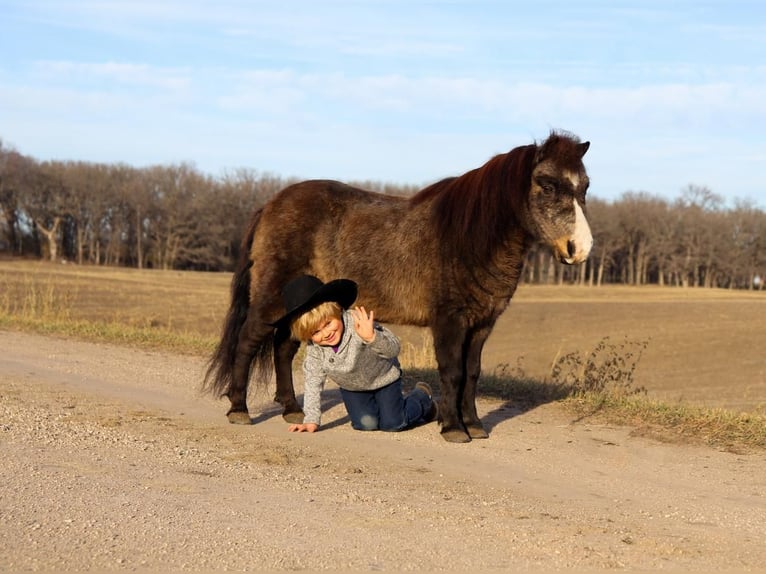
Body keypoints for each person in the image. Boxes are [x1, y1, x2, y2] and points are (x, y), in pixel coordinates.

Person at [273, 274, 438, 433]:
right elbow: (313, 382)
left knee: (393, 423)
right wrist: (311, 419)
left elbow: (394, 349)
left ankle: (423, 398)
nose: (325, 334)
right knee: (366, 424)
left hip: (384, 379)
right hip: (353, 388)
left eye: (328, 323)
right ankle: (381, 409)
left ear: (337, 310)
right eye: (316, 332)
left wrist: (372, 337)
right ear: (307, 336)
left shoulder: (359, 323)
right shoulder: (316, 350)